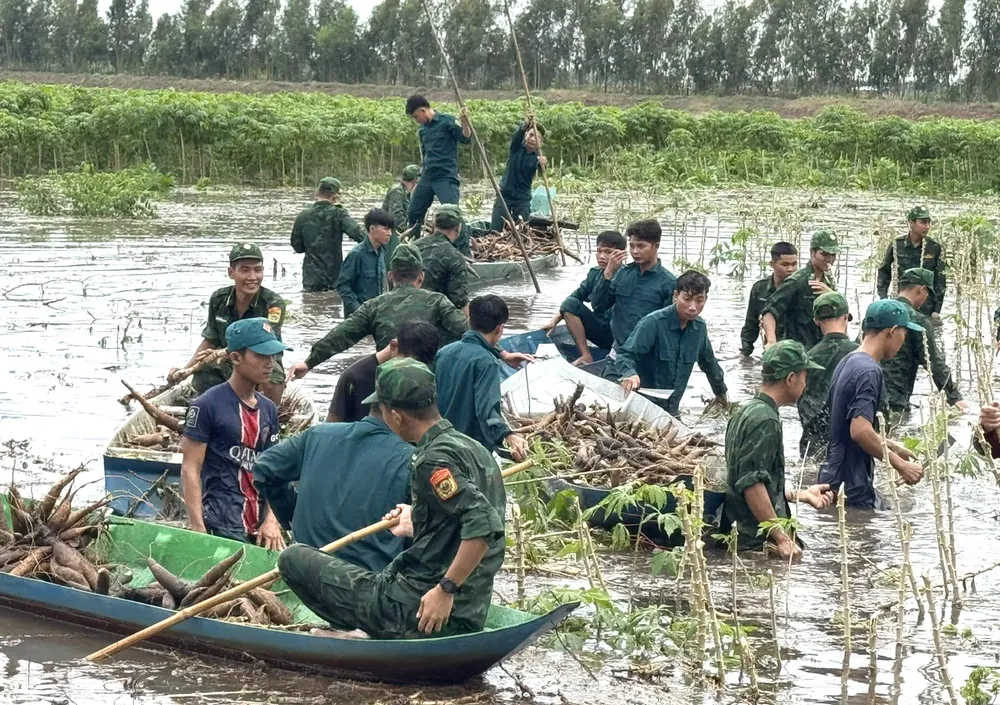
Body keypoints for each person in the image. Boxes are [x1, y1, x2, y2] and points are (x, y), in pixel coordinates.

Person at [277, 358, 506, 639]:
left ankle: (365, 633)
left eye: (383, 410)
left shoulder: (430, 459)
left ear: (397, 416)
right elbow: (472, 521)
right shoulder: (474, 448)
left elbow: (484, 525)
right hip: (470, 612)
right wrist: (420, 518)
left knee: (293, 557)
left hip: (415, 612)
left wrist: (446, 589)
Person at [254, 404, 414, 573]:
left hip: (304, 569)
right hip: (367, 581)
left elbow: (265, 469)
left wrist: (291, 515)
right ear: (399, 416)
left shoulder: (318, 434)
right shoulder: (413, 459)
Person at [286, 245, 468, 382]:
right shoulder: (438, 301)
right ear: (421, 277)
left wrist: (309, 362)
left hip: (387, 382)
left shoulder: (374, 306)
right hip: (427, 383)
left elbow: (341, 335)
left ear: (390, 276)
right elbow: (466, 331)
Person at [180, 318, 287, 549]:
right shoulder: (206, 405)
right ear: (236, 358)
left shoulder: (268, 409)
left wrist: (272, 520)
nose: (269, 364)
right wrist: (198, 528)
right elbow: (190, 468)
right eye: (260, 356)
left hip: (261, 527)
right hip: (221, 522)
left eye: (272, 356)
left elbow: (275, 471)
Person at [722, 340, 833, 559]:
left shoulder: (746, 412)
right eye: (804, 376)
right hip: (756, 542)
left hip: (742, 534)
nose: (805, 383)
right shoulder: (766, 420)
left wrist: (801, 495)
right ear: (791, 379)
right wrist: (782, 539)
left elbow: (753, 479)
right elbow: (751, 485)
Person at [818, 300, 925, 509]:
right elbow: (859, 431)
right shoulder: (869, 371)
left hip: (833, 474)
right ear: (892, 331)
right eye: (904, 334)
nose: (903, 341)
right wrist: (901, 465)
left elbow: (846, 423)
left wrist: (892, 446)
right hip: (851, 482)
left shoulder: (849, 359)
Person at [178, 243, 286, 406]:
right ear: (231, 273)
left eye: (258, 270)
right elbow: (210, 339)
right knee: (204, 374)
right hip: (226, 361)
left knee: (273, 377)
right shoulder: (219, 299)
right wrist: (185, 370)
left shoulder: (273, 303)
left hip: (259, 358)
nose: (252, 277)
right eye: (245, 270)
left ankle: (268, 417)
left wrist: (220, 353)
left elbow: (266, 344)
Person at [616, 270, 728, 416]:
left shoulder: (699, 328)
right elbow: (625, 355)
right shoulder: (653, 323)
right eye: (687, 299)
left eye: (699, 300)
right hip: (642, 408)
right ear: (675, 296)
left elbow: (709, 364)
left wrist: (721, 396)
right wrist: (630, 374)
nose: (693, 307)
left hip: (672, 411)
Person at [435, 295, 528, 460]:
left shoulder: (444, 352)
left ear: (469, 321)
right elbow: (486, 411)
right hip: (469, 449)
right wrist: (508, 436)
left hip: (440, 441)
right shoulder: (486, 362)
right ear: (500, 329)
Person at [881, 268, 966, 414]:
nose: (926, 299)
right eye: (927, 294)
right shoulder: (917, 320)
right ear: (921, 290)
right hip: (896, 395)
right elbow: (933, 361)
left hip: (868, 388)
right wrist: (954, 396)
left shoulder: (878, 311)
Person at [327, 321, 441, 423]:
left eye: (419, 366)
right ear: (393, 346)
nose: (412, 370)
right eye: (407, 363)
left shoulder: (424, 376)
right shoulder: (353, 378)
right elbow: (332, 427)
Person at [592, 219, 677, 351]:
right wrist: (608, 273)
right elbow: (599, 306)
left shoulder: (668, 283)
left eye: (641, 246)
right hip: (619, 350)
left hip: (647, 354)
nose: (635, 251)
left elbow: (669, 326)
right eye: (632, 246)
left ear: (656, 246)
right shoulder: (622, 274)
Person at [543, 230, 626, 365]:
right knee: (570, 304)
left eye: (608, 252)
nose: (602, 256)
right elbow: (574, 298)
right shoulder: (594, 273)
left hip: (619, 334)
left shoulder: (629, 276)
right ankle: (586, 355)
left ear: (621, 254)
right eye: (599, 251)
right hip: (600, 328)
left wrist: (610, 272)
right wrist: (554, 321)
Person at [797, 292, 858, 458]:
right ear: (845, 318)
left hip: (813, 441)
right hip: (850, 441)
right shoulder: (860, 354)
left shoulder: (806, 358)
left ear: (816, 321)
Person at [761, 229, 839, 350]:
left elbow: (841, 315)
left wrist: (832, 296)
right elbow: (769, 311)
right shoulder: (797, 281)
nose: (829, 259)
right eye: (824, 254)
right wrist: (771, 341)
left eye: (833, 255)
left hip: (822, 348)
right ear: (812, 253)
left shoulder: (829, 281)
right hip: (798, 350)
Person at [405, 95, 472, 231]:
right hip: (428, 176)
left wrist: (465, 122)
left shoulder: (446, 121)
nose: (417, 121)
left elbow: (465, 138)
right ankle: (414, 244)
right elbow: (425, 155)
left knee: (452, 215)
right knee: (413, 213)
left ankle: (462, 246)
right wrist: (420, 178)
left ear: (423, 111)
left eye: (416, 117)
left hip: (445, 176)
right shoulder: (423, 131)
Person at [290, 177, 364, 292]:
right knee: (333, 306)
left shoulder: (303, 216)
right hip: (334, 277)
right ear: (335, 196)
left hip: (311, 279)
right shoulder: (339, 214)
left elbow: (297, 247)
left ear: (317, 192)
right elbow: (358, 234)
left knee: (310, 306)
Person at [877, 206, 946, 320]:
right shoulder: (897, 245)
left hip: (926, 305)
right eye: (923, 222)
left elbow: (940, 280)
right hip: (903, 300)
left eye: (929, 223)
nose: (927, 226)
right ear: (911, 223)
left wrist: (936, 310)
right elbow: (884, 271)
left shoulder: (934, 247)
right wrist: (883, 297)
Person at [740, 242, 798, 356]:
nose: (791, 269)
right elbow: (751, 323)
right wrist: (745, 353)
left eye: (794, 264)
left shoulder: (802, 287)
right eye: (785, 264)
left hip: (796, 349)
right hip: (771, 348)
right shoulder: (760, 288)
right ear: (772, 264)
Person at [489, 122, 547, 232]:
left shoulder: (537, 158)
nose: (533, 139)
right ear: (525, 136)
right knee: (495, 229)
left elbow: (542, 170)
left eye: (537, 137)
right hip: (505, 194)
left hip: (522, 199)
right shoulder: (515, 148)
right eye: (531, 135)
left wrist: (543, 163)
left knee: (521, 230)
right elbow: (517, 136)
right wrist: (527, 124)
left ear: (541, 142)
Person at [336, 208, 394, 317]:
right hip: (358, 318)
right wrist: (358, 311)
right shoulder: (356, 254)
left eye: (390, 230)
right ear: (372, 229)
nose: (390, 234)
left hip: (376, 315)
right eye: (386, 229)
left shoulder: (381, 253)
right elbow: (342, 286)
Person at [415, 204, 469, 311]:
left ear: (435, 224)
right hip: (433, 317)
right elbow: (459, 302)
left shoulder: (413, 246)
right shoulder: (455, 257)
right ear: (458, 228)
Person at [383, 164, 421, 264]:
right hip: (391, 233)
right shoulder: (397, 190)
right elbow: (396, 214)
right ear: (415, 180)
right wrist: (406, 233)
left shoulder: (407, 193)